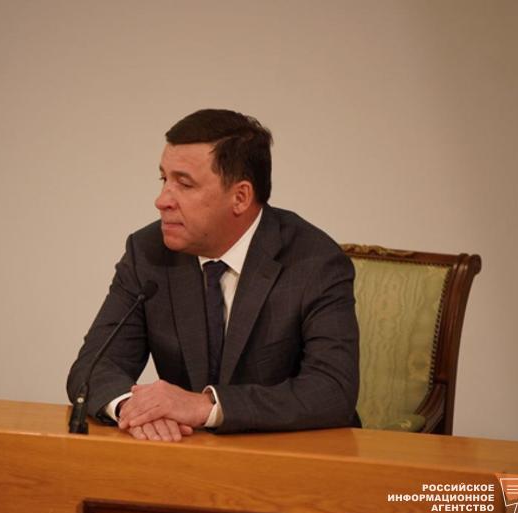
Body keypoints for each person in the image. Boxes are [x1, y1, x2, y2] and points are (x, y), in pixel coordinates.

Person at [66, 109, 359, 441]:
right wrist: (133, 409)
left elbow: (332, 390)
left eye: (184, 184)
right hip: (189, 451)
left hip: (293, 454)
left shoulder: (314, 261)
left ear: (240, 197)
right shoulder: (147, 253)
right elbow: (92, 368)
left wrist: (206, 406)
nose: (161, 201)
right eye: (164, 179)